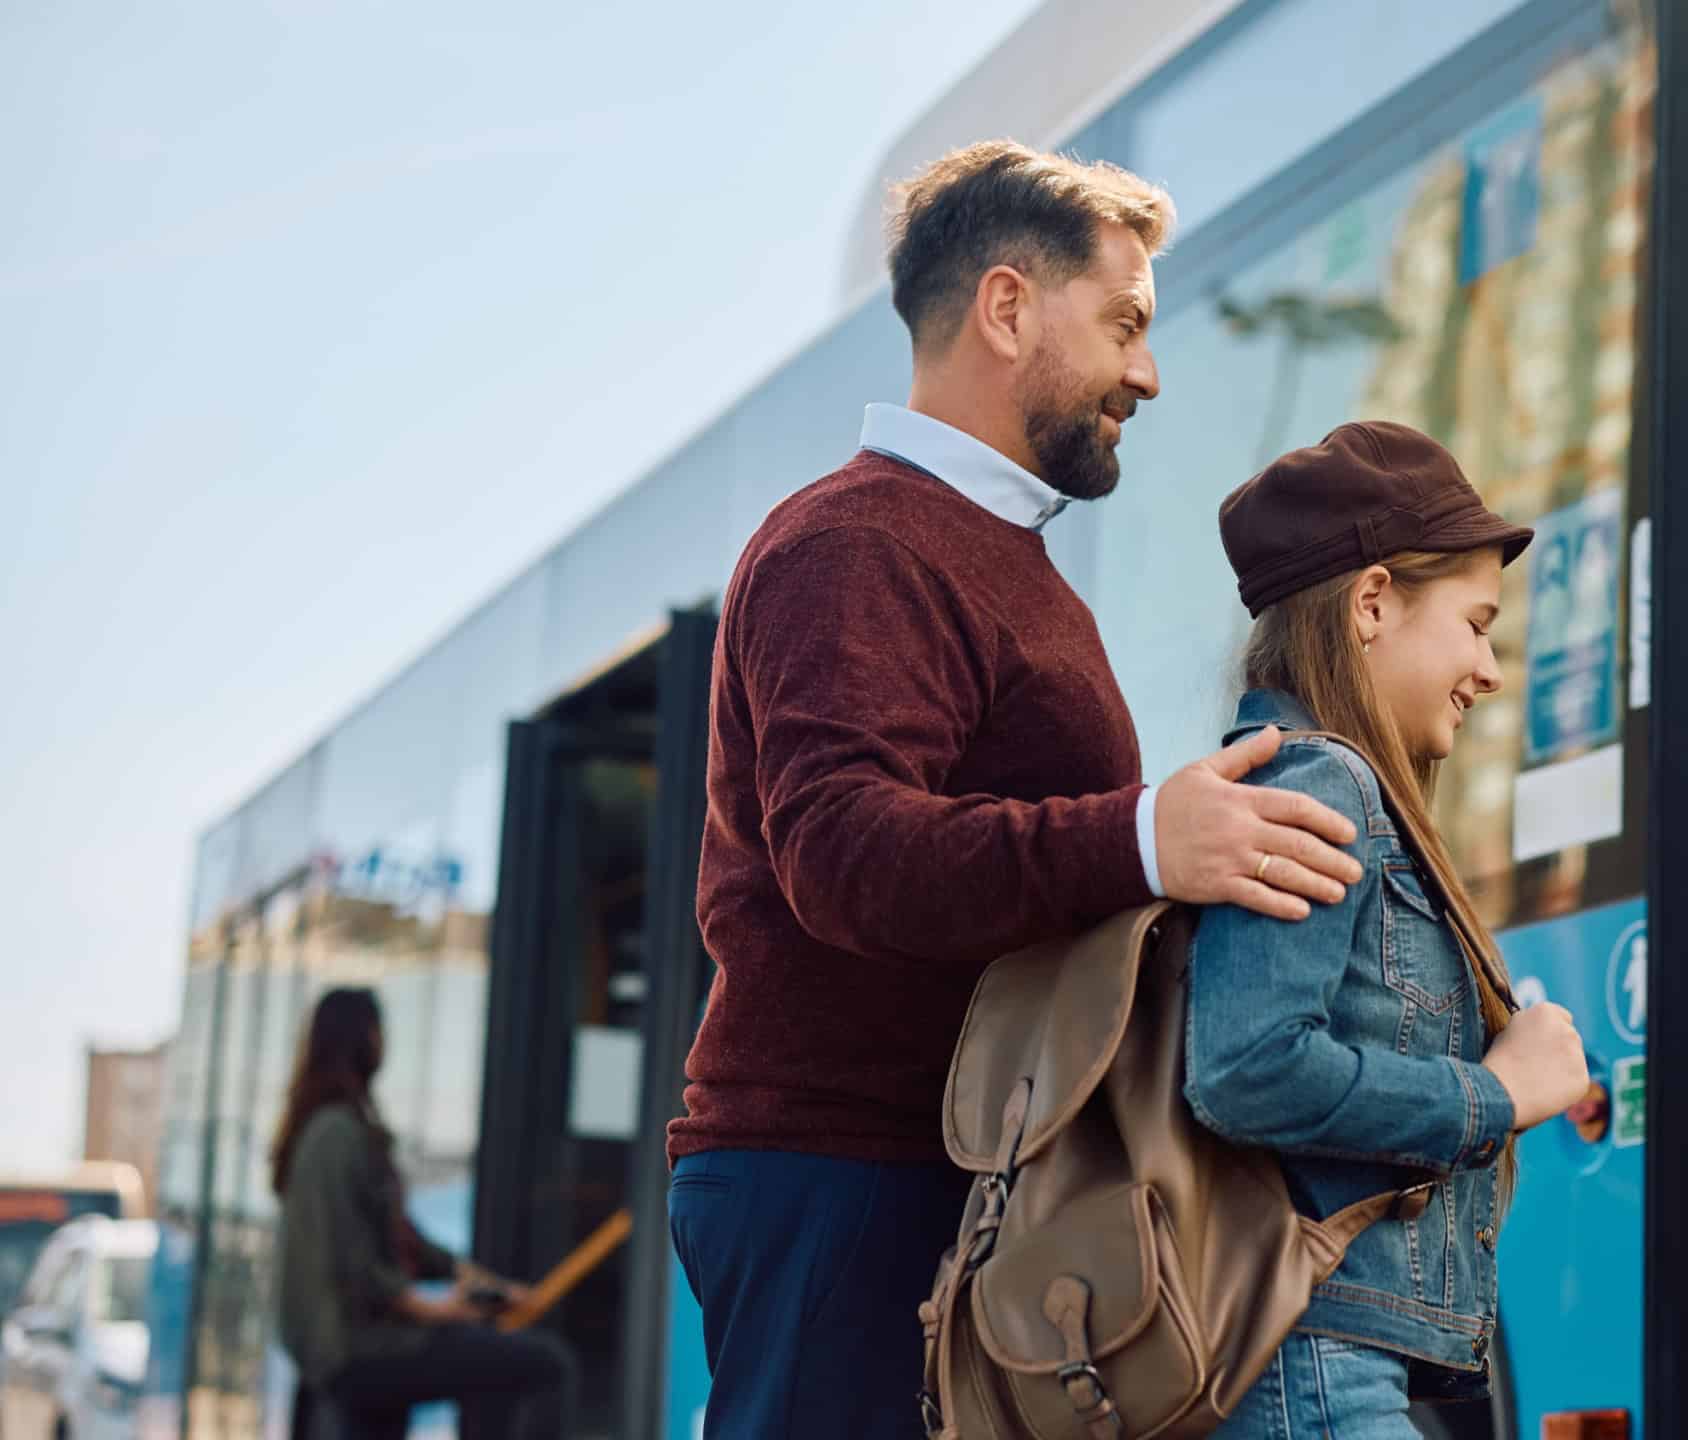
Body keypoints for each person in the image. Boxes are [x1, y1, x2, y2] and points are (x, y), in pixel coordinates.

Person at [664, 140, 1367, 1438]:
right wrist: (1150, 837)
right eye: (1125, 325)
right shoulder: (854, 543)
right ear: (1006, 307)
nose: (1146, 374)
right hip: (844, 1179)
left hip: (935, 1179)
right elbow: (847, 854)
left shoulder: (1004, 562)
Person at [1185, 422, 1595, 1438]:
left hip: (1329, 1356)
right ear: (1372, 603)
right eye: (1473, 623)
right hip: (1314, 1362)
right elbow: (1246, 1067)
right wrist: (1494, 1094)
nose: (1490, 670)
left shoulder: (1316, 784)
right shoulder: (1319, 783)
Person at [271, 987, 573, 1440]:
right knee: (548, 1366)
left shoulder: (336, 1128)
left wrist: (481, 1284)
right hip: (359, 1350)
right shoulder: (336, 1134)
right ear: (363, 1039)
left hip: (358, 1347)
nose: (384, 1043)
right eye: (379, 1031)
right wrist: (436, 1311)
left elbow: (402, 1239)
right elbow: (358, 1264)